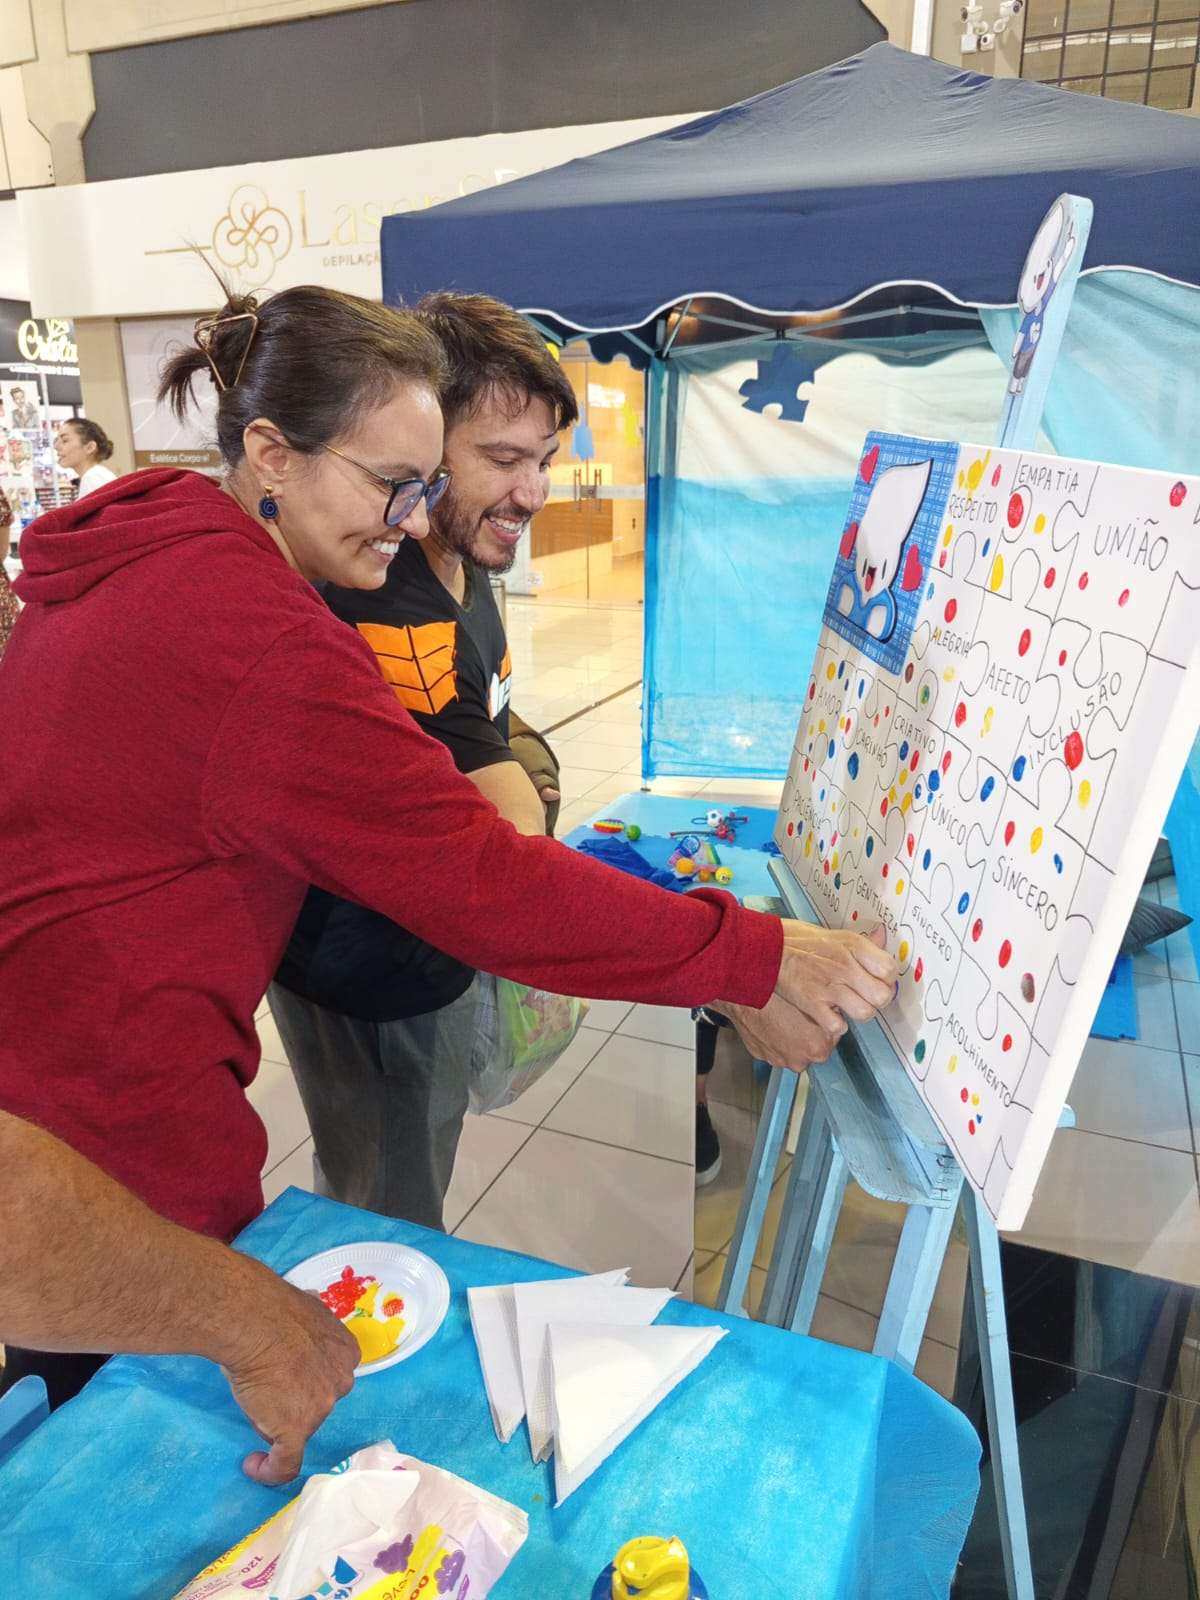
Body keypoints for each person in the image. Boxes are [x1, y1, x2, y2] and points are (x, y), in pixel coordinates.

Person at [0, 284, 896, 1481]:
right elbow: (484, 878)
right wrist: (753, 956)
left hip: (77, 1085)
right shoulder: (251, 631)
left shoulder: (149, 540)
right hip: (97, 1155)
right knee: (130, 1479)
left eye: (431, 485)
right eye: (394, 484)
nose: (414, 518)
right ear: (270, 452)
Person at [270, 292, 575, 1228]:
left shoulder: (466, 560)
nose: (532, 492)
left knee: (402, 1181)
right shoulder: (380, 593)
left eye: (546, 461)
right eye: (503, 459)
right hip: (369, 973)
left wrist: (528, 766)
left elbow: (494, 720)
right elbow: (512, 850)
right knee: (388, 1215)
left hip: (431, 949)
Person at [54, 416, 117, 498]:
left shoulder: (93, 478)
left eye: (65, 440)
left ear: (90, 447)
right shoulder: (96, 475)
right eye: (56, 441)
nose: (56, 446)